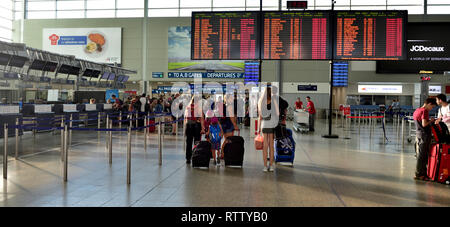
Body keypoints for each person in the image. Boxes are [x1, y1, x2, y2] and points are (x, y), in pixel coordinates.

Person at [413, 98, 437, 181]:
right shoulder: (424, 111)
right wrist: (431, 120)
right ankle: (420, 174)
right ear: (429, 104)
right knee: (423, 155)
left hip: (419, 134)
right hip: (424, 135)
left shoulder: (417, 110)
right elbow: (424, 124)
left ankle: (419, 173)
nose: (431, 109)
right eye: (432, 107)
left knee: (420, 154)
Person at [258, 86, 279, 172]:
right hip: (272, 123)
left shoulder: (260, 101)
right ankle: (271, 165)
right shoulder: (273, 100)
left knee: (265, 145)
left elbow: (260, 116)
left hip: (264, 123)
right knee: (271, 145)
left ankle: (265, 166)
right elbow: (277, 113)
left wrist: (258, 129)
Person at [184, 95, 205, 164]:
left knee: (189, 143)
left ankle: (188, 158)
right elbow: (201, 118)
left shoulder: (188, 107)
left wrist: (185, 128)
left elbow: (185, 119)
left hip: (189, 126)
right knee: (196, 143)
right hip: (196, 126)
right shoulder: (198, 107)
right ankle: (195, 157)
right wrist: (202, 128)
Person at [220, 94, 239, 159]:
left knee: (226, 140)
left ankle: (223, 153)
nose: (232, 99)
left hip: (224, 124)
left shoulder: (225, 106)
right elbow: (231, 117)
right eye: (231, 98)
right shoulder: (230, 106)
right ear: (227, 99)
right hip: (229, 125)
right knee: (228, 140)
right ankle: (222, 153)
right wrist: (235, 125)